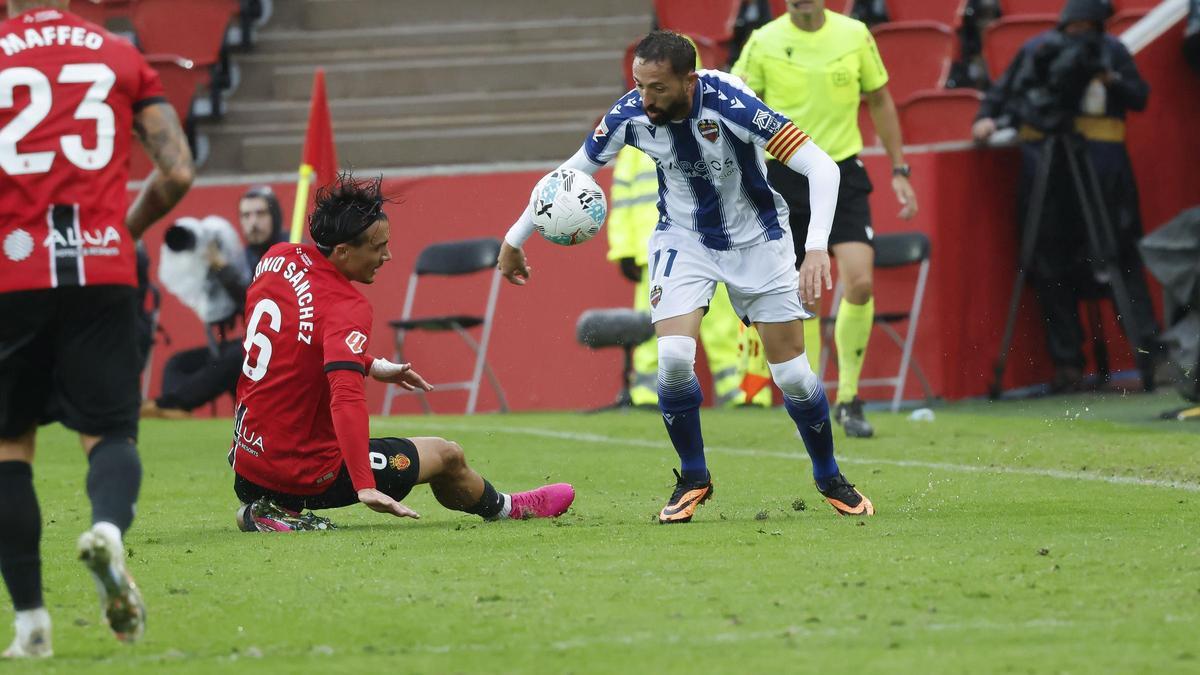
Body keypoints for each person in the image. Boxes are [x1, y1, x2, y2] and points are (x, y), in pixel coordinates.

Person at [499, 31, 874, 524]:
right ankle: (694, 477)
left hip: (759, 240)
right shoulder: (629, 114)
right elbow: (568, 176)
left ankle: (828, 475)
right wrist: (514, 238)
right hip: (683, 239)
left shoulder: (734, 105)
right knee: (674, 360)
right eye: (639, 85)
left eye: (657, 88)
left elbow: (823, 168)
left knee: (793, 377)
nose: (645, 98)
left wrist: (817, 247)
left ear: (688, 81)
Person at [0, 0, 194, 657]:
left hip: (12, 273)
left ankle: (31, 626)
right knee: (110, 433)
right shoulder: (118, 53)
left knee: (9, 448)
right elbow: (178, 170)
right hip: (102, 267)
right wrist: (123, 232)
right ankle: (108, 531)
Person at [229, 173, 575, 533]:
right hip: (302, 473)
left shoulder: (276, 258)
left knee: (296, 440)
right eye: (378, 247)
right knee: (447, 455)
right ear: (343, 251)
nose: (387, 256)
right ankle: (510, 509)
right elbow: (345, 397)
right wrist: (364, 484)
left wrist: (370, 364)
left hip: (247, 465)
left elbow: (292, 342)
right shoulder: (347, 306)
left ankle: (267, 507)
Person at [731, 0, 919, 438]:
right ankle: (810, 398)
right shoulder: (763, 41)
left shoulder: (854, 35)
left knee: (860, 281)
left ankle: (849, 398)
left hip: (842, 171)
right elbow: (738, 106)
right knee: (804, 295)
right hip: (785, 175)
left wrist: (899, 168)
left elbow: (880, 99)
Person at [972, 0, 1160, 392]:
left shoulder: (1110, 51)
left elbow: (1139, 96)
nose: (1081, 36)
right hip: (1046, 165)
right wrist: (985, 119)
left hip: (1103, 171)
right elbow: (1004, 94)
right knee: (1048, 260)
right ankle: (1067, 363)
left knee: (1120, 257)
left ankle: (1150, 357)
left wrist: (1109, 79)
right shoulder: (1037, 50)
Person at [607, 39, 771, 409]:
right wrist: (624, 249)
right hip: (655, 246)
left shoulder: (715, 121)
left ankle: (744, 394)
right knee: (654, 323)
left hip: (715, 238)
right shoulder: (636, 128)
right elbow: (623, 194)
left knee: (725, 324)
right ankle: (648, 393)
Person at [141, 187, 288, 418]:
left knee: (238, 354)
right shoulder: (242, 256)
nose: (253, 222)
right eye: (246, 215)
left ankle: (171, 404)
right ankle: (175, 417)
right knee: (177, 364)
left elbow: (260, 305)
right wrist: (202, 269)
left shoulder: (290, 249)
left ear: (275, 216)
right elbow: (228, 308)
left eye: (261, 214)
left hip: (281, 351)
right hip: (251, 349)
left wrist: (223, 268)